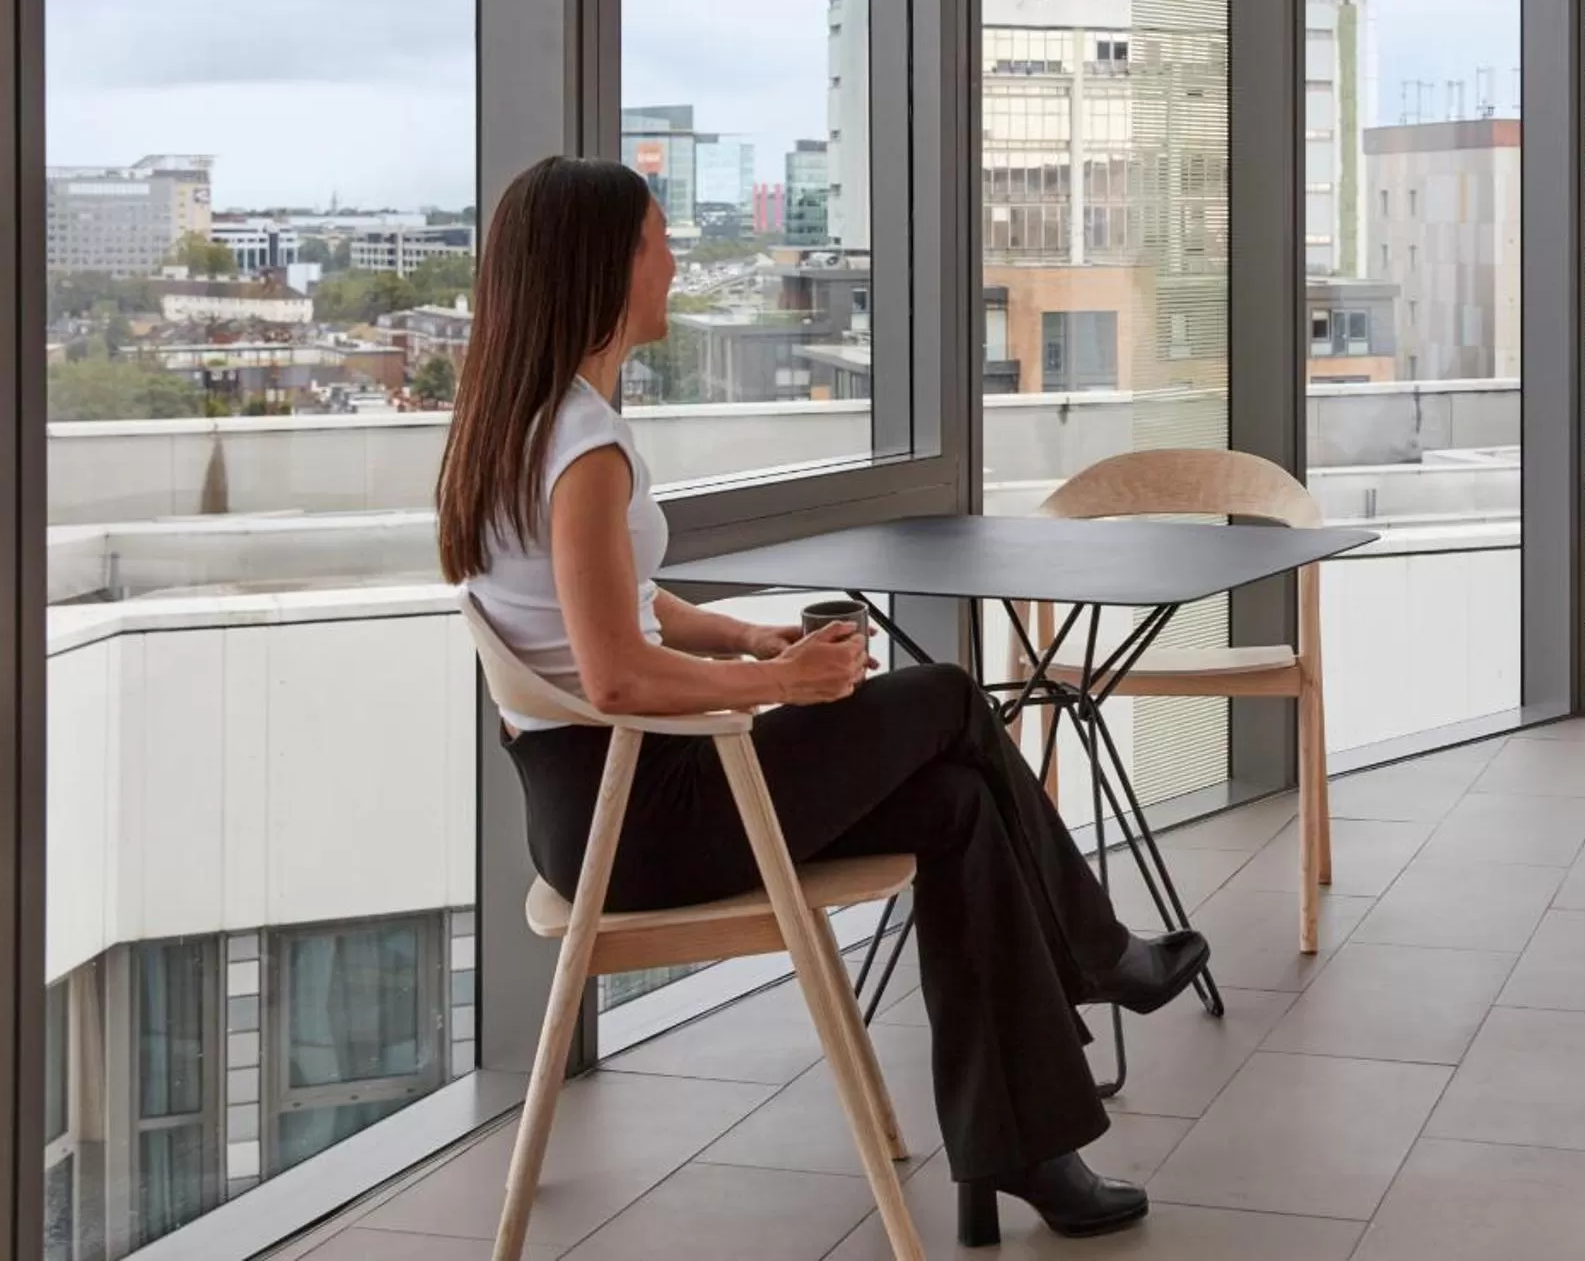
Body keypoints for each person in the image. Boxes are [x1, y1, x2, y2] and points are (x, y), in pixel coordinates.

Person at [436, 157, 1209, 1244]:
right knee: (943, 694)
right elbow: (613, 676)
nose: (672, 260)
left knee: (958, 807)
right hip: (646, 815)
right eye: (658, 240)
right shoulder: (585, 449)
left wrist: (750, 634)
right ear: (605, 266)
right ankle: (1100, 956)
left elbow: (619, 603)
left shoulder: (520, 424)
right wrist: (777, 682)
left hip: (598, 805)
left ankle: (1025, 1148)